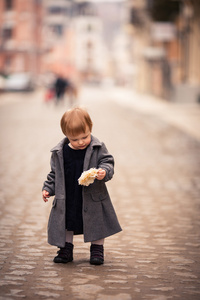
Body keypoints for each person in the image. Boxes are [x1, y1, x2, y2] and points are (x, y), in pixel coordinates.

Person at [42, 107, 122, 265]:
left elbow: (107, 162)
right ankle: (65, 249)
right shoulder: (60, 152)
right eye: (74, 139)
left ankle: (97, 249)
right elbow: (54, 173)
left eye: (85, 137)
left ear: (90, 129)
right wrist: (48, 188)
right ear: (66, 136)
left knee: (96, 220)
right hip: (68, 194)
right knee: (66, 220)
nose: (80, 142)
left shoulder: (98, 147)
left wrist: (104, 172)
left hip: (91, 194)